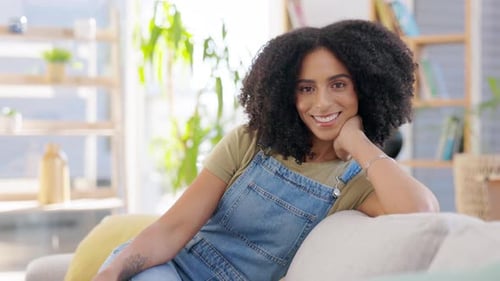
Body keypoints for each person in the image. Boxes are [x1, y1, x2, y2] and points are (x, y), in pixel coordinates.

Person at [93, 19, 439, 281]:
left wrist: (357, 142)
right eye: (306, 88)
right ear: (287, 93)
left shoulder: (356, 183)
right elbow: (172, 229)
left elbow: (421, 212)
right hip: (173, 270)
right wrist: (110, 274)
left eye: (338, 85)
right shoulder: (250, 141)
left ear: (365, 88)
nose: (322, 102)